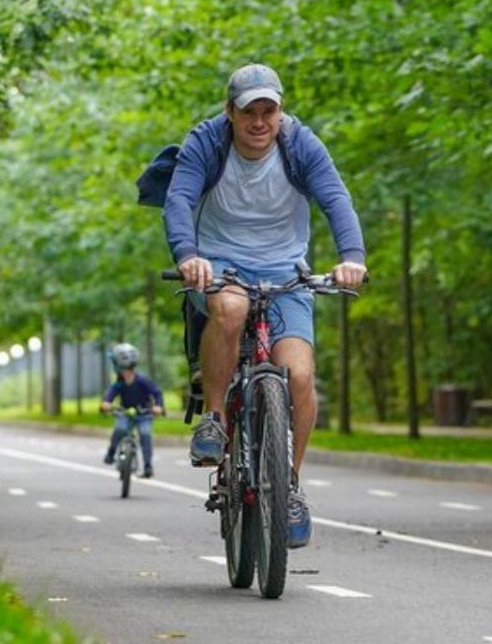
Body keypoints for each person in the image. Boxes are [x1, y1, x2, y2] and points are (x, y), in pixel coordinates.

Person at [163, 63, 367, 548]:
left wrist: (352, 258)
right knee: (229, 312)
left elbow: (336, 198)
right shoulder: (206, 144)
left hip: (285, 275)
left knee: (297, 375)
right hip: (220, 268)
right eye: (248, 111)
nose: (259, 122)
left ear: (280, 111)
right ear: (229, 112)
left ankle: (289, 486)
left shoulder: (301, 145)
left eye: (268, 111)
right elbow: (179, 198)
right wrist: (189, 257)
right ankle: (214, 418)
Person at [100, 343, 164, 479]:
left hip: (144, 413)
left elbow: (157, 393)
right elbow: (111, 393)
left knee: (145, 434)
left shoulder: (143, 380)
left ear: (119, 364)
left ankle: (148, 466)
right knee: (120, 429)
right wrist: (106, 403)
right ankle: (111, 453)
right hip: (125, 412)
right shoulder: (120, 382)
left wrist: (158, 406)